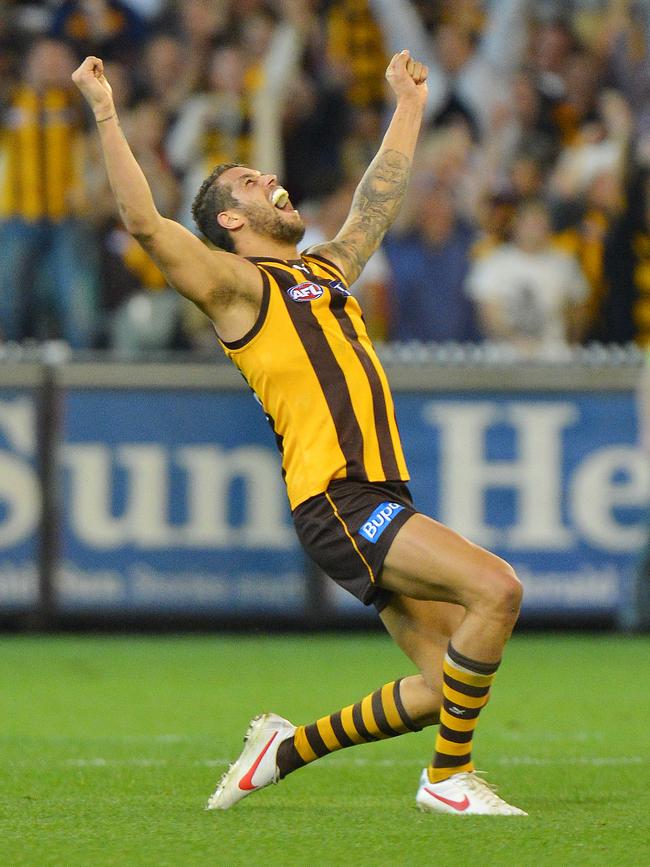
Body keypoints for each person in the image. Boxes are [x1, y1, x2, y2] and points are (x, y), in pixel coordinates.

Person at [72, 49, 526, 816]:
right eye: (250, 182)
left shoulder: (323, 272)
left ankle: (284, 749)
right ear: (230, 220)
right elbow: (144, 224)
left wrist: (408, 106)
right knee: (497, 586)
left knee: (444, 686)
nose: (269, 182)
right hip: (339, 498)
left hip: (376, 490)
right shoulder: (235, 286)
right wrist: (107, 111)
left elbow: (375, 205)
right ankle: (447, 779)